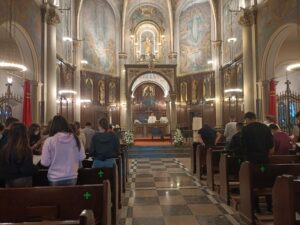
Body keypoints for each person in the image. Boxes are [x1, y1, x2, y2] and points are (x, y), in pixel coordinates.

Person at [41, 115, 85, 186]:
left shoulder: (49, 141)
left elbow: (45, 162)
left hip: (55, 177)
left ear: (53, 126)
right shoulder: (76, 139)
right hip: (72, 176)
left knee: (56, 197)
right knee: (70, 197)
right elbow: (82, 157)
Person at [0, 123, 36, 187]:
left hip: (8, 180)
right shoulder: (25, 150)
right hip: (21, 180)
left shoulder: (5, 149)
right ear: (25, 134)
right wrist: (35, 168)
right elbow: (26, 170)